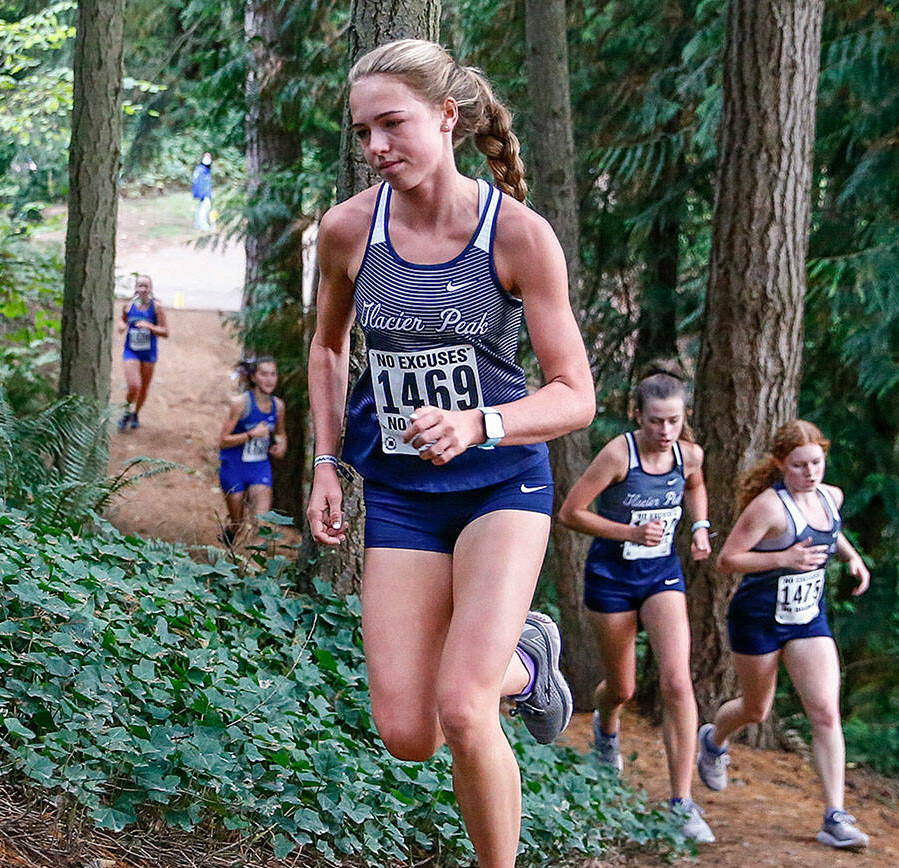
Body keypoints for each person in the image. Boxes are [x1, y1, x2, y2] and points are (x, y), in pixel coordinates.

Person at [306, 39, 595, 868]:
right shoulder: (349, 231)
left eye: (391, 124)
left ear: (447, 117)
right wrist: (329, 462)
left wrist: (481, 422)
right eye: (363, 131)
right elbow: (327, 351)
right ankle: (529, 662)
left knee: (466, 707)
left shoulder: (518, 237)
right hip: (399, 492)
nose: (375, 148)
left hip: (500, 486)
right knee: (409, 733)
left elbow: (575, 393)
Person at [555, 362, 715, 843]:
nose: (666, 431)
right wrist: (628, 531)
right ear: (636, 416)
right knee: (621, 687)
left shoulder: (689, 455)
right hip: (612, 578)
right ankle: (607, 731)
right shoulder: (617, 455)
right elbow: (571, 513)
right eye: (655, 421)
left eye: (674, 420)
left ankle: (681, 802)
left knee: (677, 682)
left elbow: (695, 487)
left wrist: (701, 526)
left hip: (661, 575)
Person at [696, 419, 872, 850]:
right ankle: (714, 740)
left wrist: (852, 558)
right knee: (757, 709)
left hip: (808, 618)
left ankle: (835, 816)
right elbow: (728, 559)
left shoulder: (832, 497)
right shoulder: (769, 508)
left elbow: (832, 531)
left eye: (816, 462)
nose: (809, 472)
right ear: (781, 464)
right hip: (757, 617)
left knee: (826, 712)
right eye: (798, 465)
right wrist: (785, 557)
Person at [218, 357, 286, 545]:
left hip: (259, 468)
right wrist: (251, 434)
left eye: (273, 374)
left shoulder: (278, 406)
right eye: (264, 374)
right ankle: (232, 531)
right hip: (234, 466)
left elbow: (281, 434)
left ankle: (255, 569)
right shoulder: (241, 403)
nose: (269, 379)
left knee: (262, 523)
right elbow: (223, 441)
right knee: (238, 523)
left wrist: (280, 446)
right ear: (254, 377)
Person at [117, 274, 168, 431]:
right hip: (131, 351)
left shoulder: (156, 308)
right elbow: (122, 320)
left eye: (146, 286)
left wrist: (150, 326)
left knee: (144, 387)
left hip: (149, 353)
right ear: (136, 288)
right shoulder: (128, 306)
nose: (143, 289)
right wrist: (121, 326)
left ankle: (136, 413)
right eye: (140, 286)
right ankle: (126, 411)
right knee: (134, 386)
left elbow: (165, 331)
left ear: (151, 288)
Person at [192, 152, 213, 230]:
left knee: (202, 208)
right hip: (204, 193)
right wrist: (202, 193)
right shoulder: (202, 170)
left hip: (203, 192)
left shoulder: (201, 169)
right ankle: (203, 225)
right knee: (205, 208)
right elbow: (200, 183)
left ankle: (198, 224)